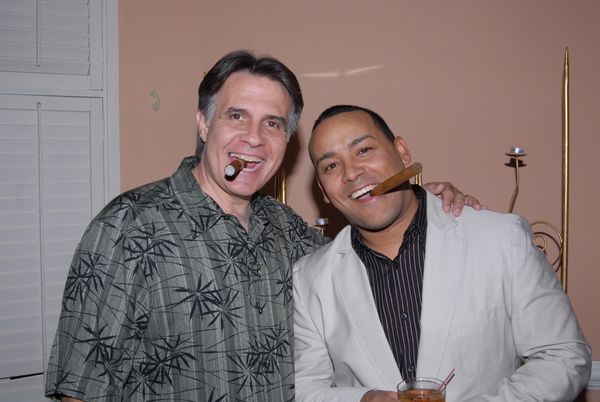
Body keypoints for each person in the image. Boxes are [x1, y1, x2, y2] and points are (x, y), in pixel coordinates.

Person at [45, 51, 476, 401]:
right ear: (203, 123)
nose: (254, 138)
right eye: (237, 116)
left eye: (272, 123)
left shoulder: (286, 229)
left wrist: (420, 202)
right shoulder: (129, 224)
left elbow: (362, 251)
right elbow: (80, 387)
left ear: (286, 140)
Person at [293, 105, 592, 402]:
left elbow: (562, 356)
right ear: (323, 190)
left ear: (402, 152)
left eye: (364, 150)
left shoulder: (502, 238)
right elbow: (306, 388)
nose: (351, 173)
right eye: (331, 166)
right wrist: (364, 400)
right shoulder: (309, 279)